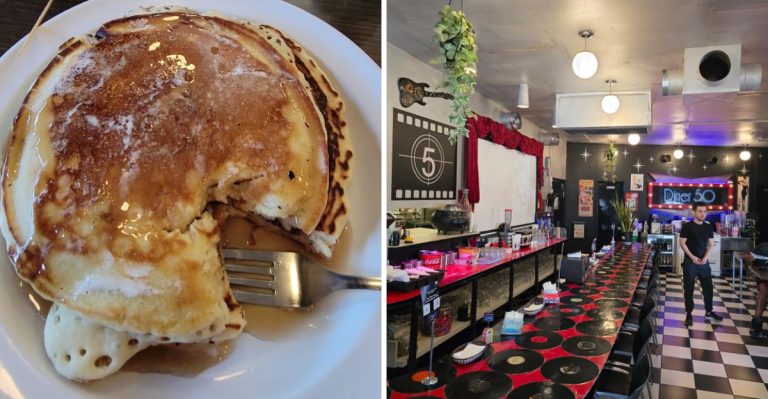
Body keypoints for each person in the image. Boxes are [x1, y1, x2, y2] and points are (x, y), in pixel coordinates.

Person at [679, 201, 723, 326]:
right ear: (694, 211)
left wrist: (705, 257)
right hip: (690, 262)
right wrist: (692, 257)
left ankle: (709, 311)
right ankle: (689, 314)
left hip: (704, 262)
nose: (703, 214)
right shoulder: (687, 226)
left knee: (708, 288)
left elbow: (710, 244)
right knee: (689, 289)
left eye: (704, 211)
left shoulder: (708, 226)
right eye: (700, 211)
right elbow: (682, 243)